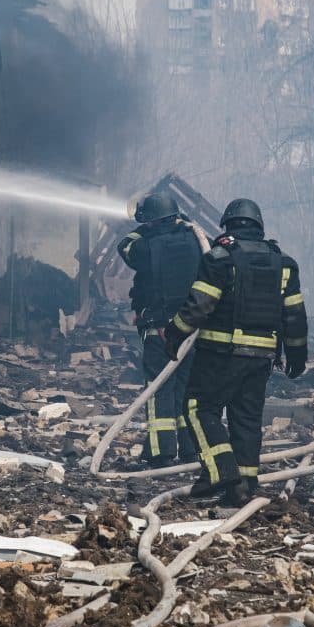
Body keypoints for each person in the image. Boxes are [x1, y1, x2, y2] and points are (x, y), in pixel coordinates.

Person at [165, 198, 308, 506]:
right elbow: (294, 315)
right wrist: (297, 357)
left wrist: (174, 333)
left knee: (198, 408)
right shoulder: (283, 263)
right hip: (261, 359)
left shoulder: (220, 258)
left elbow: (199, 305)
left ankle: (220, 470)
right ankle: (242, 487)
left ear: (228, 226)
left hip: (220, 353)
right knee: (246, 419)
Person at [117, 193, 203, 467]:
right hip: (191, 330)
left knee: (158, 391)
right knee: (186, 391)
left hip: (160, 329)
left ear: (151, 221)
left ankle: (161, 452)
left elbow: (125, 246)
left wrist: (145, 224)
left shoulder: (145, 246)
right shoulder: (195, 241)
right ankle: (190, 450)